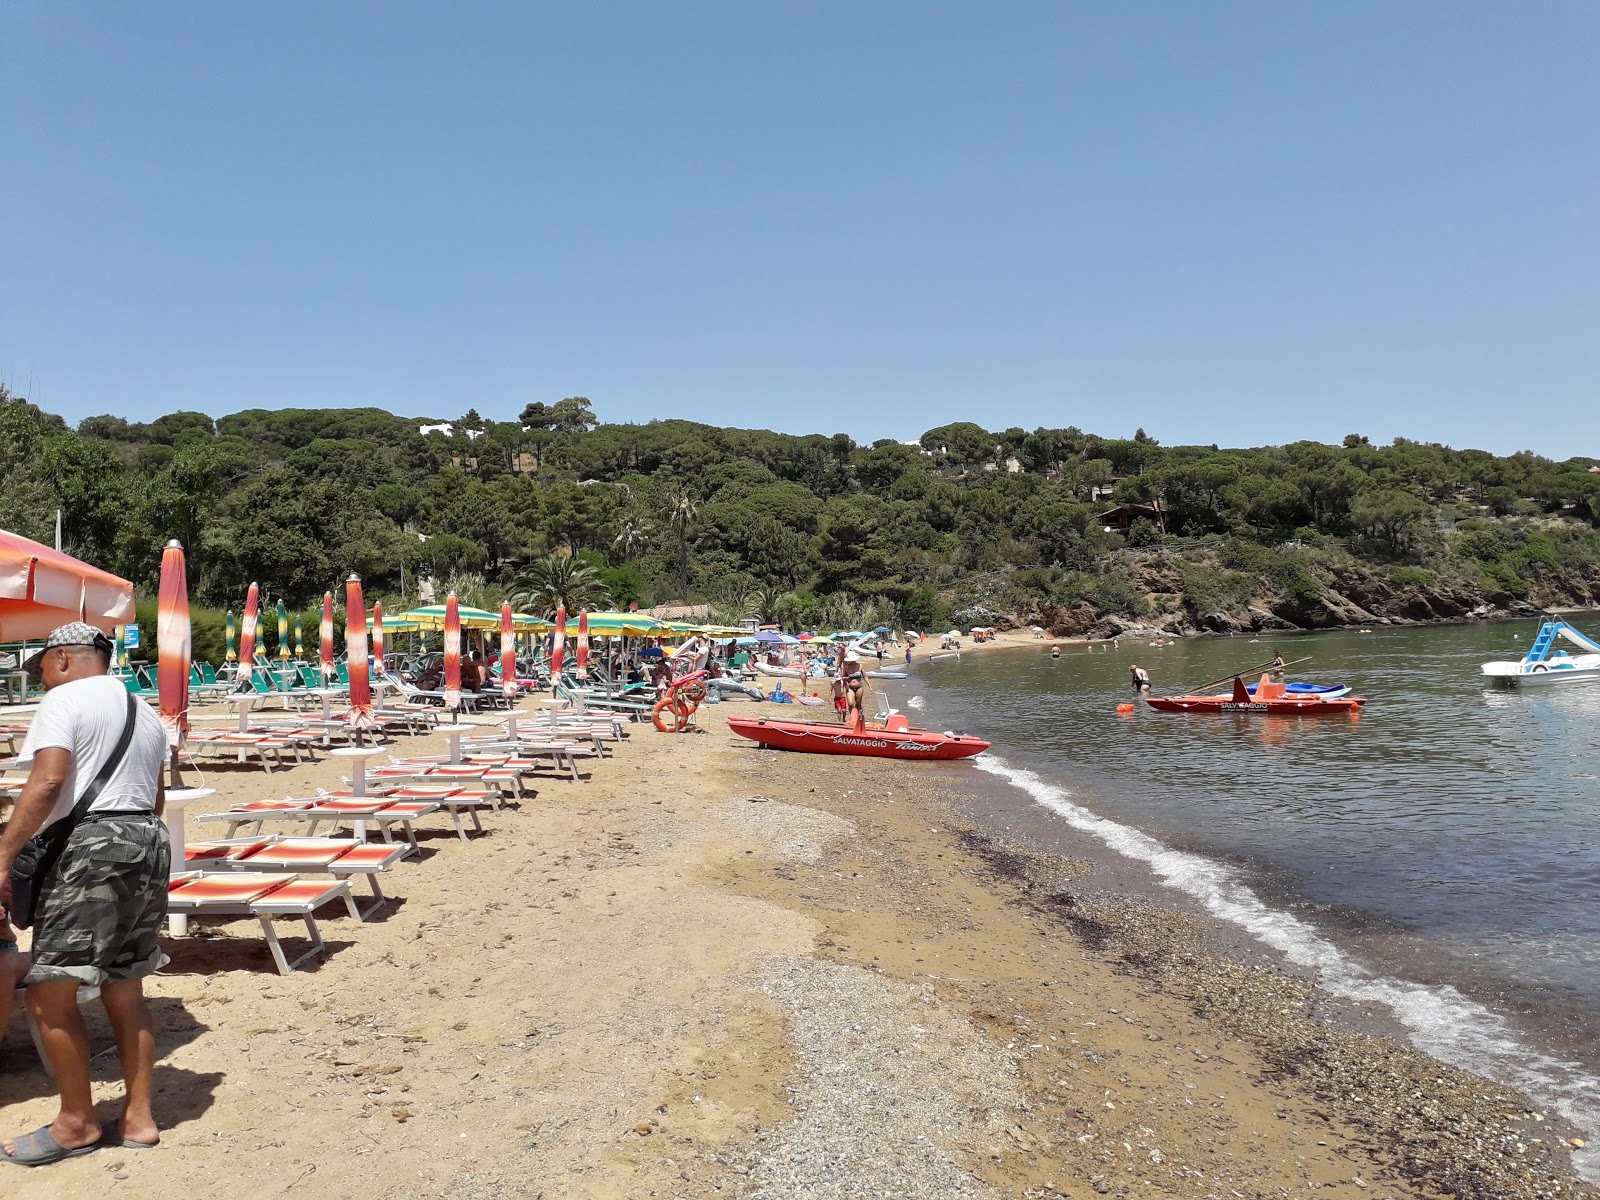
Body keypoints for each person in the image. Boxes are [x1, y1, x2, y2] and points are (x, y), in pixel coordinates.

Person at [0, 623, 171, 1163]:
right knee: (126, 986)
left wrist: (3, 854)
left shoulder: (65, 699)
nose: (43, 679)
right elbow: (157, 796)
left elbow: (48, 782)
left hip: (93, 847)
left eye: (43, 667)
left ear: (65, 660)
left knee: (51, 993)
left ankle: (76, 1123)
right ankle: (138, 1118)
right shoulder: (145, 712)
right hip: (147, 840)